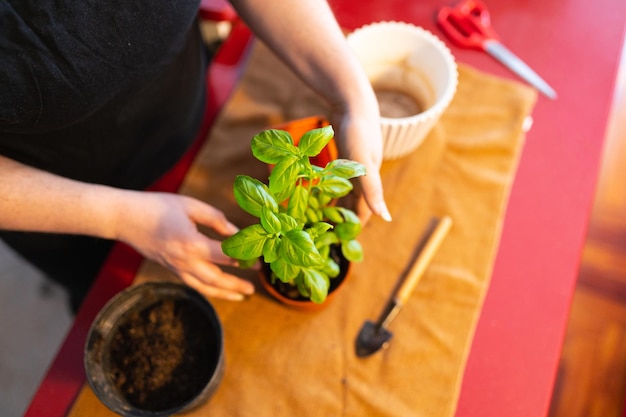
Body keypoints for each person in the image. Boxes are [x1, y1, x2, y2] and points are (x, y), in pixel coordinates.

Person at [0, 0, 391, 312]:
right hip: (61, 207)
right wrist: (116, 216)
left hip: (196, 120)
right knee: (110, 300)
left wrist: (350, 93)